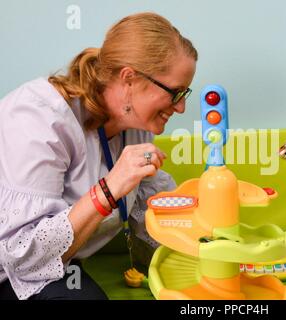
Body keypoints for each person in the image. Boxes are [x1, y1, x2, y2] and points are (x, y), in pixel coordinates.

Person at [0, 12, 197, 300]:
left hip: (59, 267)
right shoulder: (40, 119)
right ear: (129, 78)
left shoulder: (134, 125)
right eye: (175, 93)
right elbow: (21, 257)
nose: (180, 108)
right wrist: (108, 190)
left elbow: (150, 214)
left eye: (184, 94)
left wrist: (209, 252)